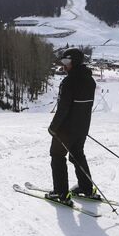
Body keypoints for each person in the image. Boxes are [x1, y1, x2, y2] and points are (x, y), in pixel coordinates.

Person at [45, 48, 97, 206]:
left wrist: (53, 127)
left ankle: (61, 194)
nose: (64, 66)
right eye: (63, 62)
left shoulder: (68, 82)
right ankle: (86, 188)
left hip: (65, 129)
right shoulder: (90, 81)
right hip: (82, 127)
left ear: (74, 62)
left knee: (57, 156)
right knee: (77, 155)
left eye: (67, 62)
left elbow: (63, 108)